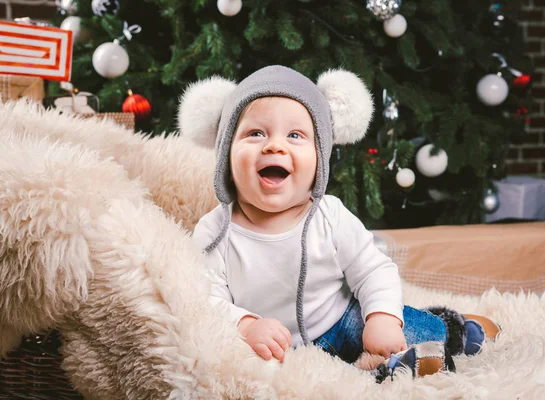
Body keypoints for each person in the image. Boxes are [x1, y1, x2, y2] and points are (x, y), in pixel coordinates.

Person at [186, 65, 462, 365]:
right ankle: (397, 365)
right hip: (268, 345)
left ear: (320, 158)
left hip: (341, 321)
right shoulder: (214, 231)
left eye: (295, 135)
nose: (275, 146)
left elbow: (373, 270)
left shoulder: (329, 217)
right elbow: (204, 298)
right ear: (226, 153)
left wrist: (382, 318)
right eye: (255, 133)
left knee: (416, 333)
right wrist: (246, 325)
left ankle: (459, 329)